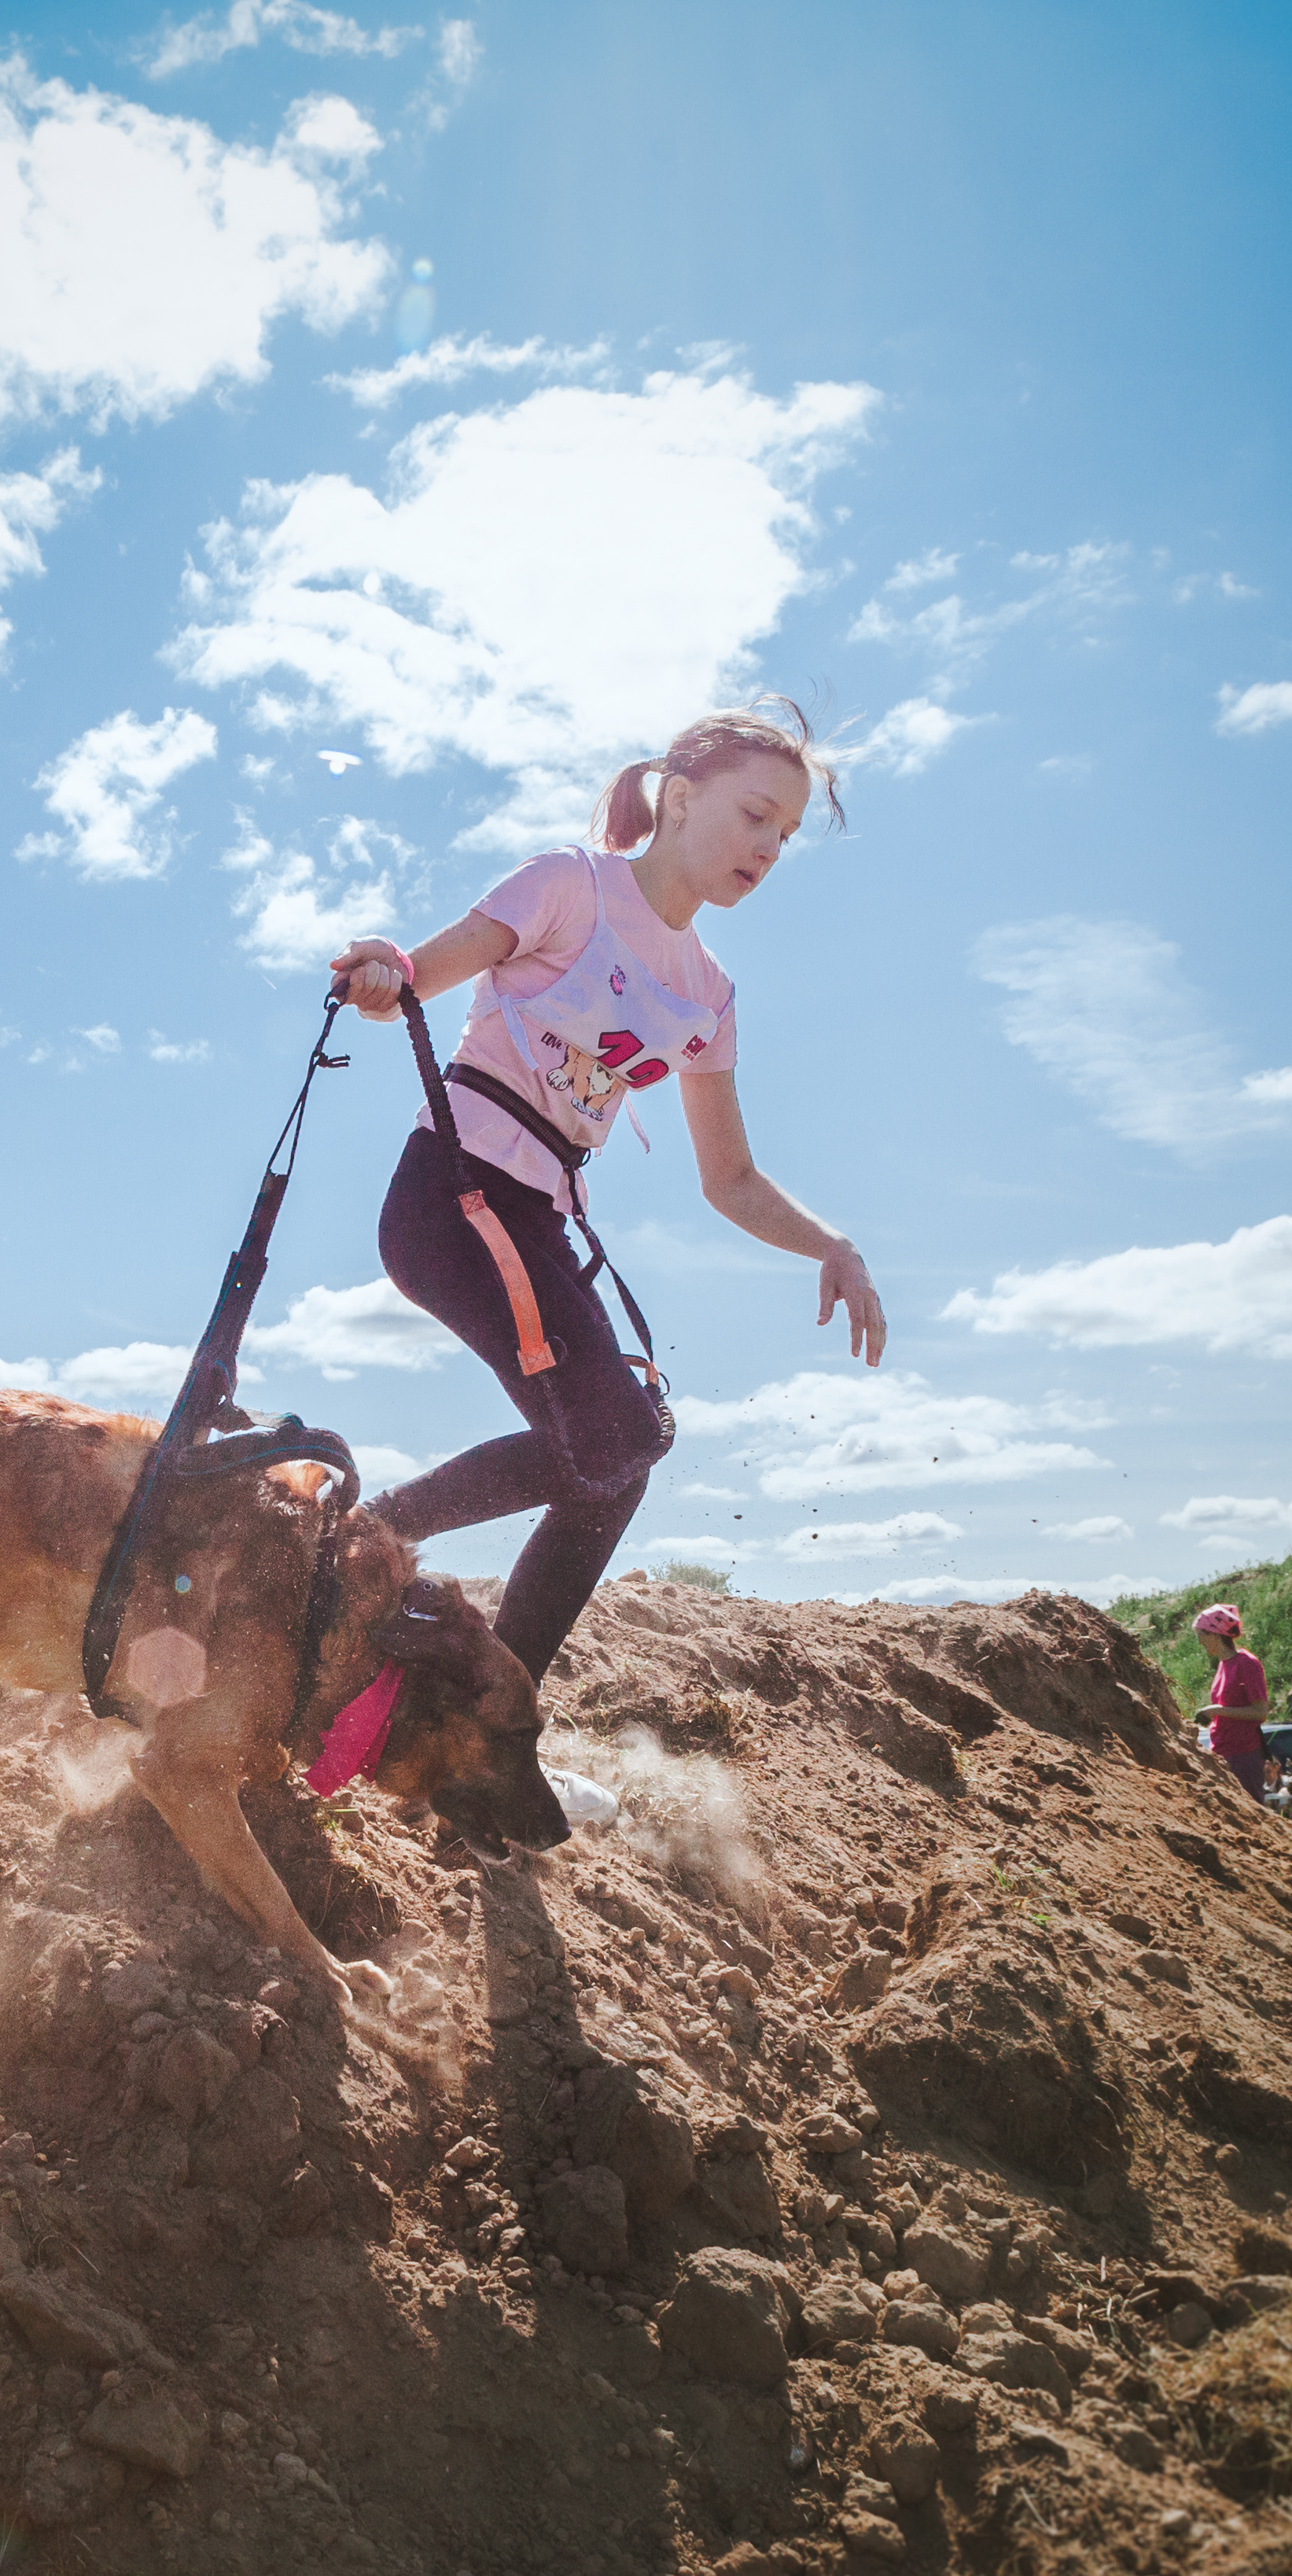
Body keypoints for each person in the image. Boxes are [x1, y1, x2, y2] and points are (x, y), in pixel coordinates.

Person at [329, 702, 886, 1827]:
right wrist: (386, 968)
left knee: (616, 1461)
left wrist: (832, 1243)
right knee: (613, 1441)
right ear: (680, 798)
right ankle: (368, 1543)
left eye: (784, 836)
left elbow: (728, 1179)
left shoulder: (706, 995)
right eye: (753, 816)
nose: (767, 849)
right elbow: (424, 972)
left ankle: (478, 1728)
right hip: (454, 1196)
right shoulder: (571, 886)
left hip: (536, 1220)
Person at [1192, 1602, 1270, 1801]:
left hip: (1243, 1754)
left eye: (1201, 1635)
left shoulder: (1247, 1663)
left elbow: (1260, 1712)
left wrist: (1218, 1710)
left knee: (1251, 1810)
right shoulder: (1223, 1665)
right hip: (1222, 1751)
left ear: (1215, 1634)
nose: (1200, 1642)